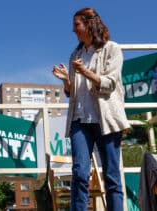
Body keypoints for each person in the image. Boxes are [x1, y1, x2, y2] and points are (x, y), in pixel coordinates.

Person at [52, 8, 130, 211]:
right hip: (79, 120)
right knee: (79, 172)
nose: (73, 30)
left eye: (76, 25)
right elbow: (72, 92)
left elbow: (109, 83)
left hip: (107, 118)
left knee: (112, 175)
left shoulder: (112, 49)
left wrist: (85, 71)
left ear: (89, 24)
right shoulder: (75, 55)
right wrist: (66, 81)